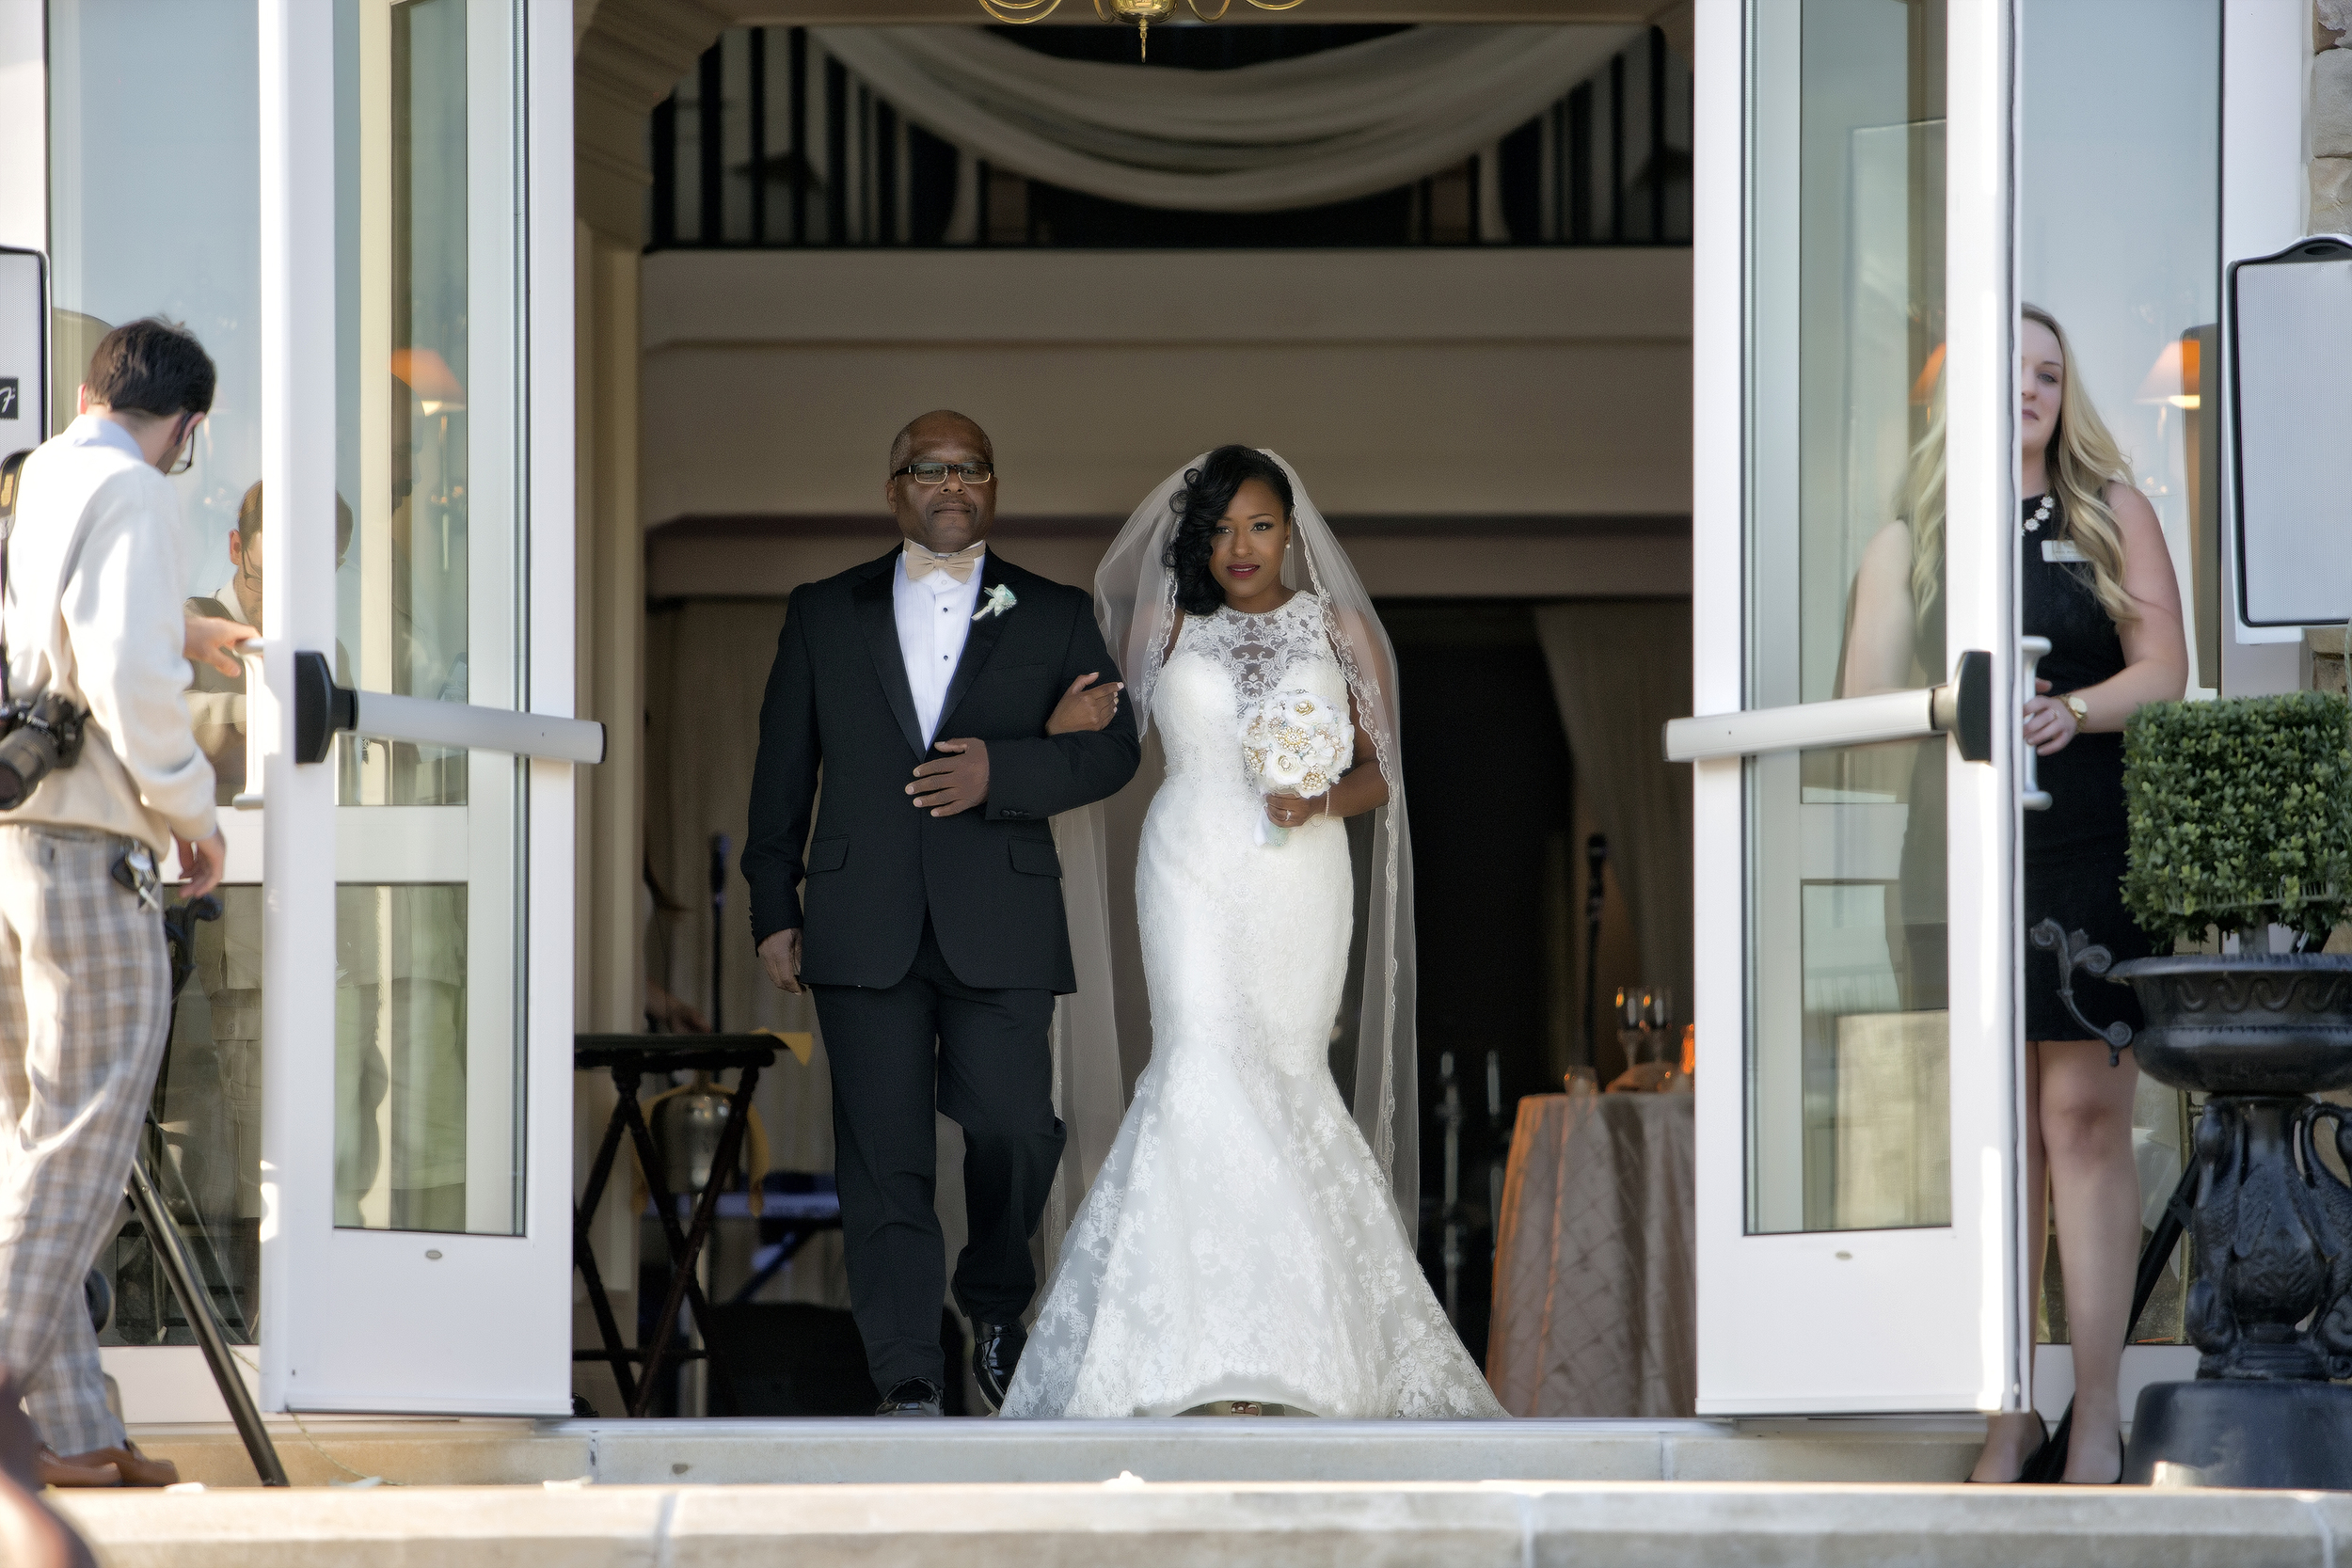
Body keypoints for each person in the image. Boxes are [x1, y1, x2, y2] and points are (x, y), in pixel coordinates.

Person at [1000, 446, 1504, 1419]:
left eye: (1261, 525)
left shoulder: (1338, 629)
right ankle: (1188, 1359)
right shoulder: (1163, 624)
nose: (1242, 546)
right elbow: (1106, 743)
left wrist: (1317, 802)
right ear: (1198, 537)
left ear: (1290, 533)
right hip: (1188, 863)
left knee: (1283, 1069)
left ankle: (1297, 1353)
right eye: (1223, 528)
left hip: (1296, 873)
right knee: (1197, 1059)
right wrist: (1055, 726)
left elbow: (1382, 771)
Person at [1845, 308, 2187, 1483]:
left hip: (2088, 843)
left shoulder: (2111, 511)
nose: (2030, 388)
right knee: (1994, 1137)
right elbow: (1865, 703)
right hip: (1956, 855)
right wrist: (1939, 692)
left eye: (2048, 372)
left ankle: (2093, 1414)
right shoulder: (1915, 533)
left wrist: (2073, 710)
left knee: (2082, 1121)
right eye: (2010, 371)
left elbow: (2164, 670)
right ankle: (2008, 1411)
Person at [744, 410, 1139, 1416]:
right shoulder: (822, 611)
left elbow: (1114, 750)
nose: (951, 483)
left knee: (1015, 1127)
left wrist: (1004, 770)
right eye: (929, 467)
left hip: (1001, 917)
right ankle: (908, 1370)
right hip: (858, 916)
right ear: (894, 490)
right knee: (885, 1158)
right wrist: (772, 903)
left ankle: (997, 1303)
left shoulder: (1053, 612)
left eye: (971, 468)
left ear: (994, 487)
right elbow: (782, 769)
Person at [0, 317, 227, 1486]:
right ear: (185, 427)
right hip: (89, 847)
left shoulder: (35, 478)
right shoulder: (135, 489)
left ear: (92, 392)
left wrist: (182, 622)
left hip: (13, 840)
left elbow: (57, 626)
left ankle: (75, 1424)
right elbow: (128, 678)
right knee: (86, 1141)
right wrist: (194, 808)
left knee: (36, 1144)